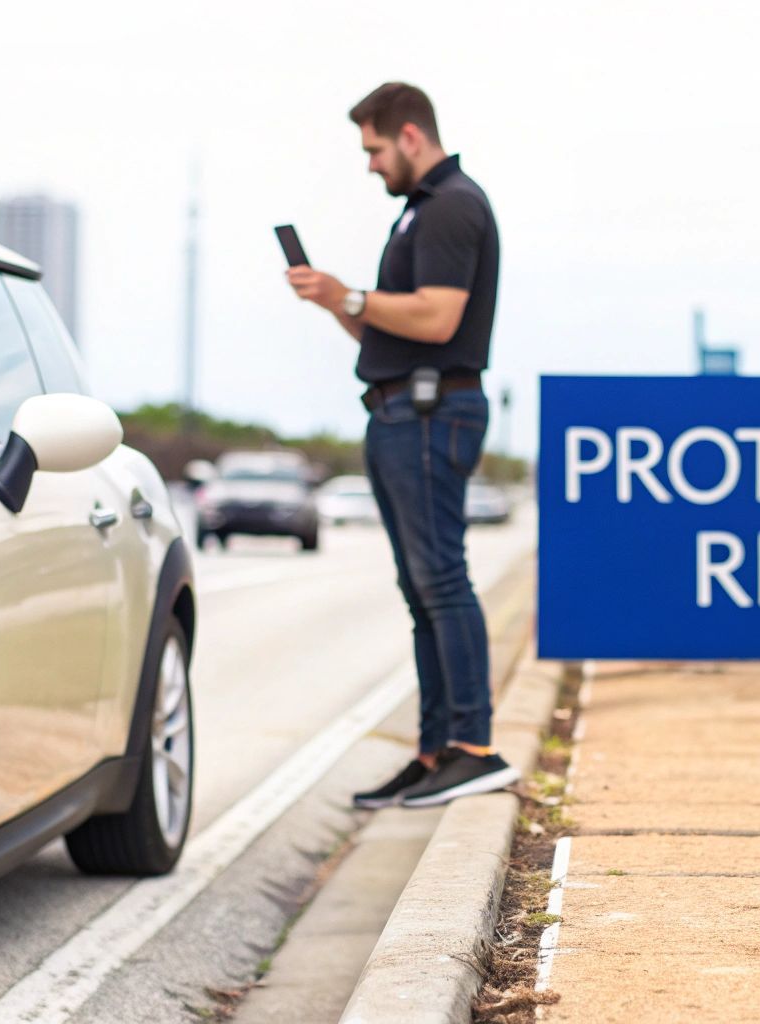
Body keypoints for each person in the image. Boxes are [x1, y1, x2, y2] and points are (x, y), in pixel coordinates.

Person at [287, 82, 515, 808]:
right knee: (422, 591)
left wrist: (351, 296)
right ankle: (435, 750)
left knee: (441, 581)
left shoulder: (452, 205)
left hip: (429, 413)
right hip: (400, 412)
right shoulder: (421, 212)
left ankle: (474, 747)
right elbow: (393, 325)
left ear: (410, 136)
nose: (370, 166)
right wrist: (336, 301)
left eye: (375, 149)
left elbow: (439, 319)